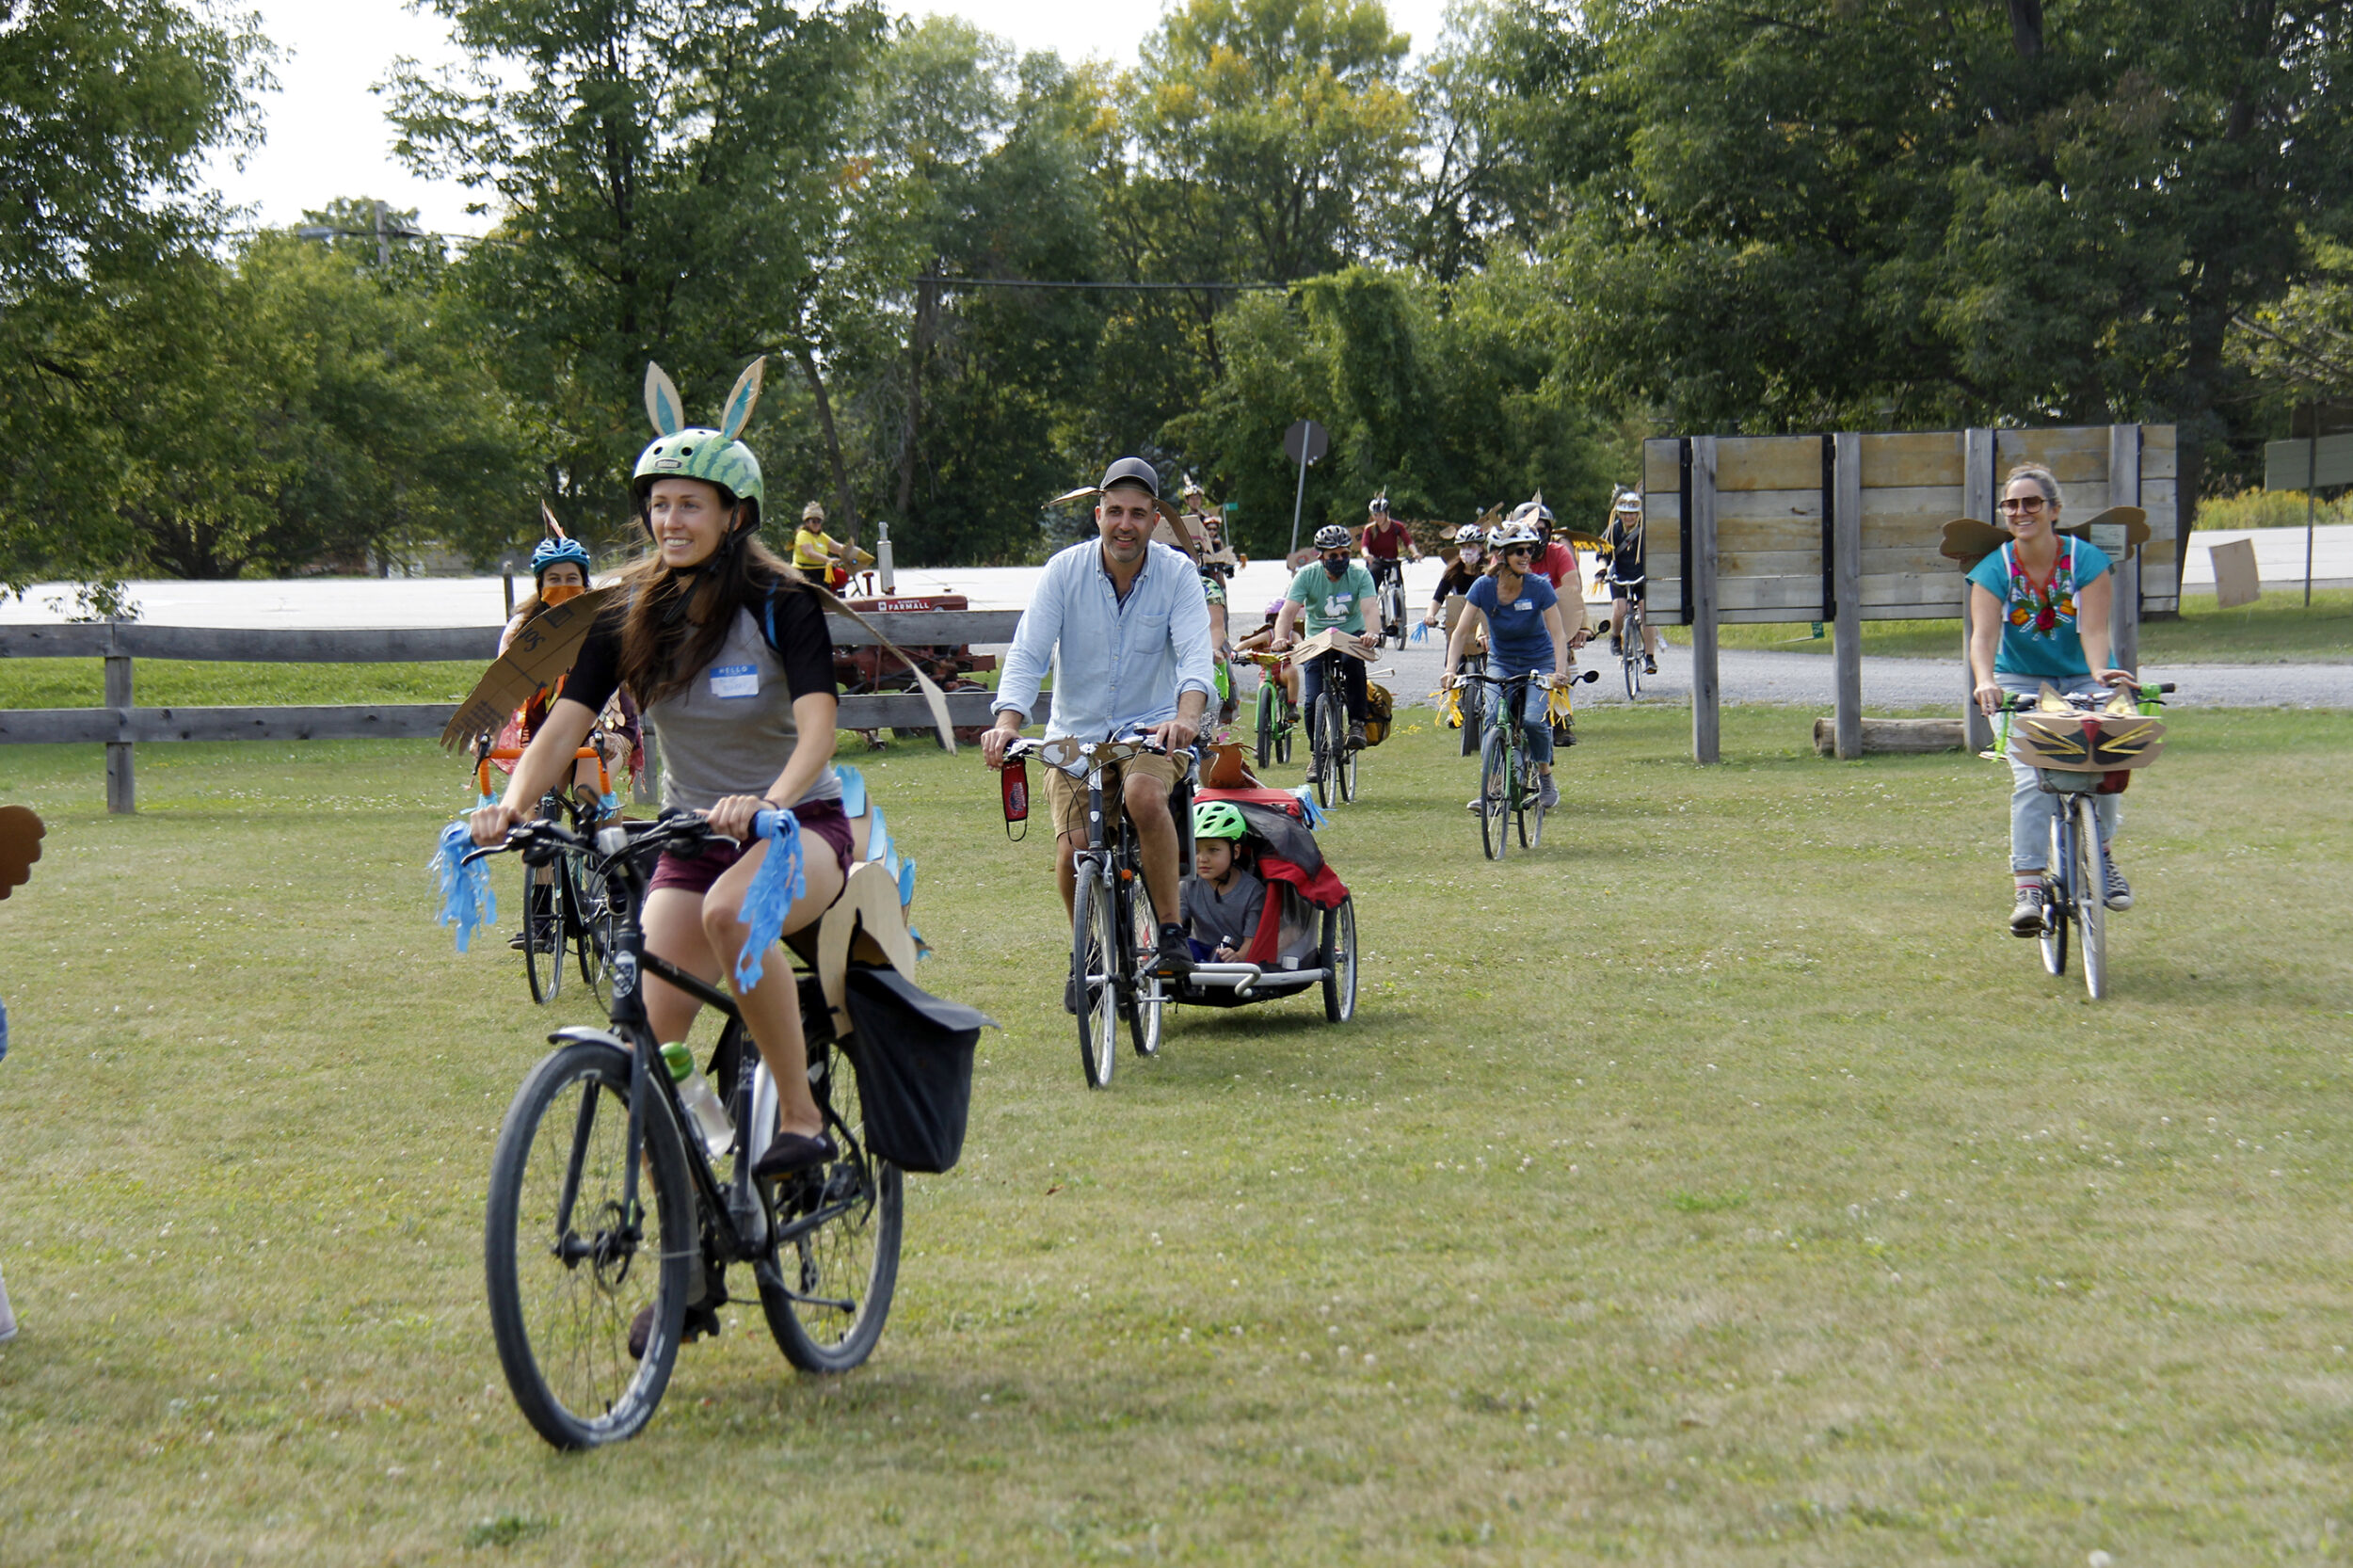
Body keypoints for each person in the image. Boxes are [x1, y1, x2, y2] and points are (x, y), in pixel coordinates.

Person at [472, 360, 856, 1220]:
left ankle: (800, 1118)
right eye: (659, 503)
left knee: (731, 913)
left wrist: (774, 803)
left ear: (734, 515)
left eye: (689, 503)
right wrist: (514, 805)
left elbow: (820, 730)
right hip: (690, 837)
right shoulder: (627, 611)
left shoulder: (782, 603)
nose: (669, 519)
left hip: (803, 830)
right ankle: (685, 1266)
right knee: (649, 1048)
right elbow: (564, 725)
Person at [984, 457, 1218, 994]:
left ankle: (1169, 931)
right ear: (1098, 515)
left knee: (1143, 795)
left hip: (1152, 730)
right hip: (1074, 735)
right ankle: (1086, 953)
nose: (1125, 524)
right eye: (1115, 511)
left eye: (1138, 513)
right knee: (1074, 848)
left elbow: (1194, 658)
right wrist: (1006, 723)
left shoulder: (1178, 574)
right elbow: (1026, 655)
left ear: (1155, 519)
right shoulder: (1062, 572)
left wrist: (1185, 719)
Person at [1966, 461, 2136, 936]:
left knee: (2108, 758)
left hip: (2082, 673)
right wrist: (1984, 681)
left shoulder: (2087, 561)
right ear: (2004, 513)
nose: (2022, 511)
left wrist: (2101, 674)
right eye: (2012, 504)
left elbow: (2095, 630)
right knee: (2031, 777)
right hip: (2019, 678)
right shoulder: (1993, 569)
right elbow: (1982, 638)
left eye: (2032, 503)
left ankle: (2101, 857)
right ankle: (2028, 887)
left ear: (2054, 510)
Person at [1442, 520, 1584, 810]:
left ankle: (1545, 777)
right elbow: (1459, 632)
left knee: (1533, 720)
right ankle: (1492, 790)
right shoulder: (1483, 587)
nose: (1526, 556)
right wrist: (1449, 670)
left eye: (1529, 550)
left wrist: (1560, 670)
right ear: (1502, 555)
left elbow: (1557, 634)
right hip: (1501, 661)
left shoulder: (1540, 587)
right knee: (1493, 716)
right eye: (1518, 551)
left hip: (1539, 661)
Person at [1273, 524, 1380, 772]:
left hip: (1350, 633)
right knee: (1312, 700)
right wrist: (1280, 637)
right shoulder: (1306, 576)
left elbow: (1370, 609)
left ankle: (1356, 723)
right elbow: (1288, 611)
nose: (1340, 560)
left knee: (1353, 663)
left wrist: (1372, 633)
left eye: (1345, 554)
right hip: (1317, 639)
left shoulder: (1360, 575)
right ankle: (1318, 752)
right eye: (1334, 556)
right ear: (1321, 556)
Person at [1181, 801, 1264, 961]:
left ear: (1236, 851)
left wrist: (1238, 956)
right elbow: (1176, 921)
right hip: (1198, 954)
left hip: (1235, 959)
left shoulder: (1253, 891)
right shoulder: (1186, 885)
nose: (1202, 859)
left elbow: (1252, 940)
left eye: (1213, 850)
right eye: (1196, 850)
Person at [1597, 488, 1659, 674]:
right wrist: (1602, 570)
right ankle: (1616, 638)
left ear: (1638, 514)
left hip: (1642, 577)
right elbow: (1603, 553)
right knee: (1620, 610)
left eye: (1632, 514)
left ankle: (1649, 658)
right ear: (1619, 514)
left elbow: (1657, 552)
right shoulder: (1613, 530)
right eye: (1624, 513)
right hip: (1620, 577)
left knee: (1646, 612)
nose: (1628, 517)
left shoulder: (1647, 530)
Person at [1424, 523, 1488, 637]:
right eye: (1463, 547)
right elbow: (1438, 598)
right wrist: (1430, 615)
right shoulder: (1452, 572)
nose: (1466, 551)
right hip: (1458, 626)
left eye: (1471, 546)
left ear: (1481, 547)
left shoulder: (1488, 572)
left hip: (1483, 627)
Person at [792, 501, 850, 590]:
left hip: (822, 571)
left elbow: (837, 547)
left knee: (842, 576)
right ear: (807, 522)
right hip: (806, 573)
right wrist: (828, 560)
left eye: (818, 521)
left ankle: (834, 596)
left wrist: (851, 551)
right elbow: (809, 553)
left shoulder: (822, 536)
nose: (816, 524)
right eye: (813, 521)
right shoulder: (803, 535)